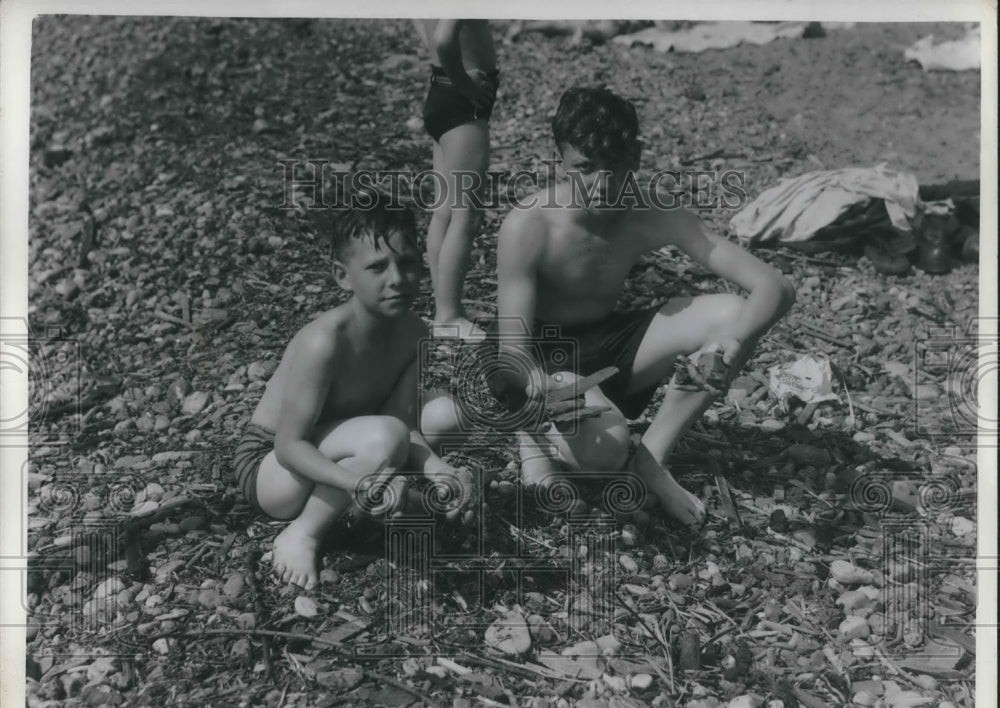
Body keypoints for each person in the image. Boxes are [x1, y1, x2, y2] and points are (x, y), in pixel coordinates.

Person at [494, 86, 796, 528]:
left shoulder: (650, 210)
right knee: (607, 451)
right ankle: (533, 436)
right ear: (560, 159)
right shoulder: (530, 225)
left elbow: (775, 286)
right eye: (586, 168)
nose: (602, 185)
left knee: (733, 315)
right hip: (544, 360)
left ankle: (652, 461)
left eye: (615, 168)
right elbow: (511, 356)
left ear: (635, 158)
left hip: (610, 346)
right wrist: (541, 388)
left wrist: (726, 346)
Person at [233, 195, 472, 589]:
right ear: (343, 276)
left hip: (338, 448)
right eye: (377, 267)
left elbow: (403, 424)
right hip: (271, 471)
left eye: (408, 263)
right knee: (384, 438)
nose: (397, 279)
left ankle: (365, 502)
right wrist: (356, 483)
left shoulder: (415, 333)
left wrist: (440, 472)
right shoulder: (324, 342)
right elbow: (288, 446)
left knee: (447, 416)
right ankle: (303, 533)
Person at [414, 19, 499, 340]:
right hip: (461, 101)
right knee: (466, 217)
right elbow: (446, 36)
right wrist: (465, 83)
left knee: (445, 211)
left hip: (441, 89)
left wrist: (448, 69)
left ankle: (445, 306)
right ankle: (449, 315)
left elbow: (426, 26)